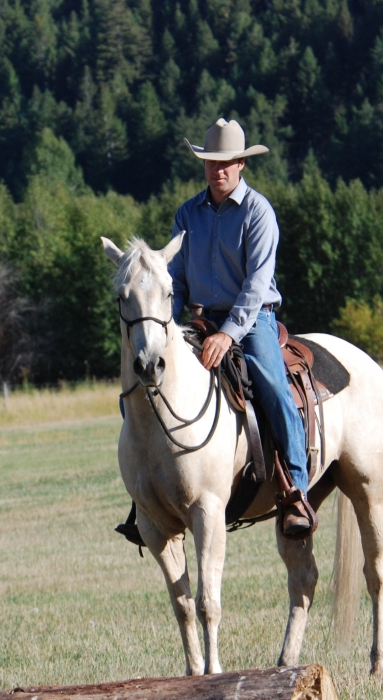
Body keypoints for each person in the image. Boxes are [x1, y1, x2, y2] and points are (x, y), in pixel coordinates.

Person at [117, 118, 315, 540]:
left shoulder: (259, 212)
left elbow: (257, 284)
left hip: (252, 320)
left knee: (274, 387)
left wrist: (228, 333)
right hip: (199, 321)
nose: (217, 170)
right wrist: (171, 322)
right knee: (139, 391)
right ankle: (146, 498)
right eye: (210, 162)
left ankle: (296, 488)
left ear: (241, 163)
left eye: (226, 163)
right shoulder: (187, 213)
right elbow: (179, 281)